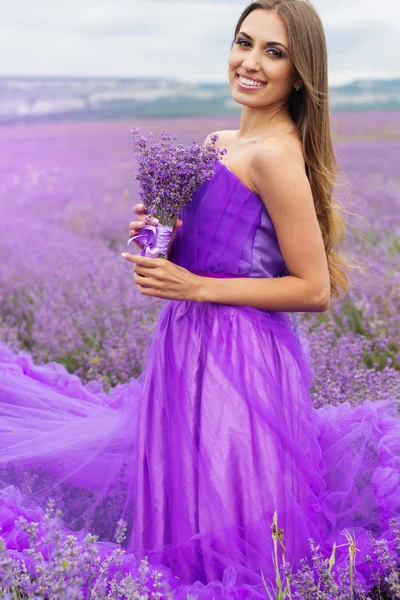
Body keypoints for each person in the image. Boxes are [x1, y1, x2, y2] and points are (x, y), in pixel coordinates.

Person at [0, 1, 400, 598]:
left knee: (232, 516)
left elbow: (314, 289)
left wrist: (194, 287)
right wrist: (160, 237)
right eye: (245, 42)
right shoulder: (218, 141)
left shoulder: (276, 154)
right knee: (180, 504)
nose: (251, 62)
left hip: (240, 363)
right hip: (181, 350)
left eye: (275, 52)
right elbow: (214, 249)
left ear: (301, 72)